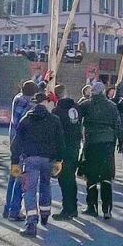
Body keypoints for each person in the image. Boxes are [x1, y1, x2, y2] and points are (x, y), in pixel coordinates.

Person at [12, 92, 65, 237]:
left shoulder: (26, 120)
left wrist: (15, 162)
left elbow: (16, 143)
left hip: (30, 160)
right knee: (45, 185)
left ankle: (31, 223)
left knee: (29, 190)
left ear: (34, 103)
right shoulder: (54, 120)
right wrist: (59, 160)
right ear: (46, 103)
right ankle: (45, 213)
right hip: (48, 160)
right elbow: (61, 142)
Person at [79, 80, 121, 219]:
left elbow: (77, 120)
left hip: (91, 142)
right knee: (105, 176)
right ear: (103, 91)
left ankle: (92, 207)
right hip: (107, 143)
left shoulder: (86, 105)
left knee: (91, 176)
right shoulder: (112, 106)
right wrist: (117, 141)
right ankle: (107, 208)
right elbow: (118, 125)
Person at [3, 81, 38, 220]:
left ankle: (8, 208)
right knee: (20, 178)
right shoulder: (29, 106)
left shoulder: (17, 98)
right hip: (23, 146)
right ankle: (14, 211)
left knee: (14, 176)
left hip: (14, 144)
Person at [52, 84, 82, 220]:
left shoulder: (57, 111)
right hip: (75, 147)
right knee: (71, 179)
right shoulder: (76, 108)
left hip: (63, 150)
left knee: (64, 180)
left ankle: (67, 210)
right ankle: (73, 208)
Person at [107, 86, 123, 182]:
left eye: (114, 92)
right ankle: (111, 173)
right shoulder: (107, 103)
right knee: (110, 152)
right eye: (111, 93)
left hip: (122, 128)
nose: (113, 94)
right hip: (112, 129)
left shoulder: (121, 101)